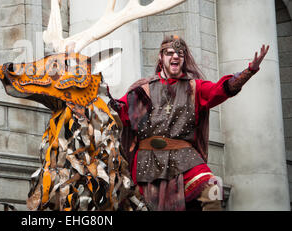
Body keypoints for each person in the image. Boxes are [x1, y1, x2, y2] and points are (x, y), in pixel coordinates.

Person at [109, 35, 269, 211]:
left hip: (185, 157)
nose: (175, 56)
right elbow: (121, 112)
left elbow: (222, 89)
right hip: (148, 159)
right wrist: (103, 95)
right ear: (161, 58)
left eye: (180, 53)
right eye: (170, 53)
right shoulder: (144, 89)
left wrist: (249, 71)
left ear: (184, 59)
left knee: (212, 188)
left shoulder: (195, 88)